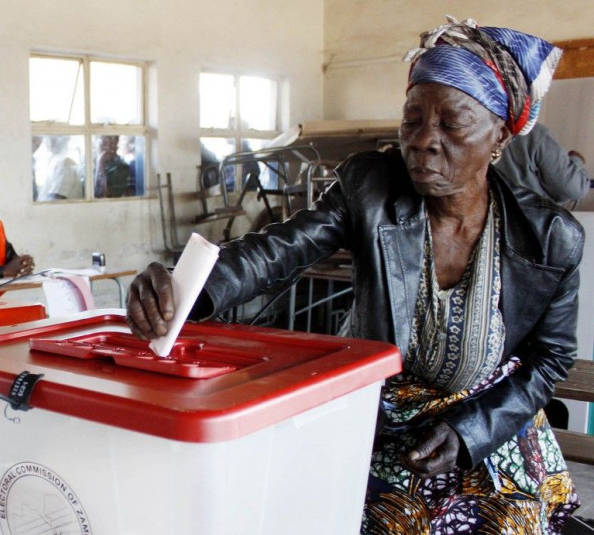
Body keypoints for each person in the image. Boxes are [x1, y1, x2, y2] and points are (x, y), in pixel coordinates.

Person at [126, 17, 583, 534]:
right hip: (378, 420)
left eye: (452, 124)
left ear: (499, 135)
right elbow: (278, 249)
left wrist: (473, 431)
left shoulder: (550, 238)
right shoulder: (372, 186)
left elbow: (551, 358)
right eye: (413, 121)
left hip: (487, 425)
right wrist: (182, 285)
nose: (424, 141)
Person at [494, 122, 591, 204]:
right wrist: (577, 160)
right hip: (529, 221)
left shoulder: (482, 130)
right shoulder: (532, 134)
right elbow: (574, 189)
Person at [40, 136, 83, 200]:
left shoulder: (66, 163)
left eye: (52, 138)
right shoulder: (54, 162)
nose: (47, 141)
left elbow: (57, 199)